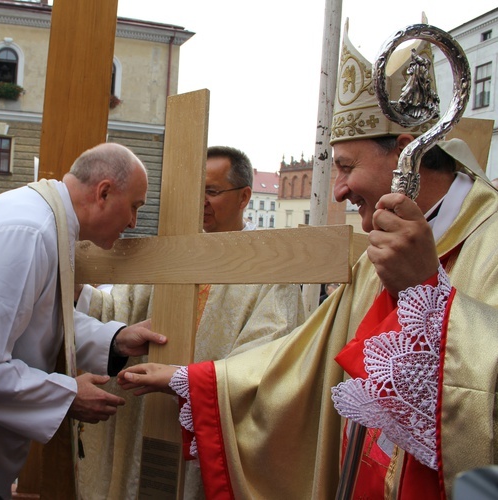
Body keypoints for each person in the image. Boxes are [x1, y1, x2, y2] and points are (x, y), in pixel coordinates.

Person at [117, 23, 498, 499]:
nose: (338, 189)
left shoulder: (490, 237)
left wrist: (427, 293)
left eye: (345, 167)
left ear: (405, 154)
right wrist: (193, 379)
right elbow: (307, 360)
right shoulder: (381, 254)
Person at [0, 142, 167, 500]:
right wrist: (66, 395)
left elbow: (32, 318)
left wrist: (115, 340)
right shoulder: (28, 231)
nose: (134, 222)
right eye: (134, 206)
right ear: (103, 192)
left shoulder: (46, 221)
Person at [76, 146, 307, 499]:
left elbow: (269, 359)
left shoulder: (269, 267)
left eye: (212, 192)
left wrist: (188, 382)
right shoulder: (168, 254)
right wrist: (74, 285)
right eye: (195, 190)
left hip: (208, 428)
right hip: (146, 417)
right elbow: (116, 312)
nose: (201, 201)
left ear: (245, 196)